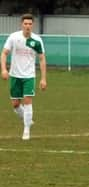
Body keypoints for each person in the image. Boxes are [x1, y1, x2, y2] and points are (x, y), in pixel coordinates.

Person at [1, 13, 47, 141]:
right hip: (15, 75)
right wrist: (4, 69)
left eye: (30, 24)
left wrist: (43, 79)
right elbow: (4, 53)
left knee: (27, 101)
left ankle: (26, 130)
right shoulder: (14, 37)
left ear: (33, 25)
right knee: (15, 104)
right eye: (25, 23)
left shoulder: (37, 40)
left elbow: (42, 59)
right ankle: (27, 120)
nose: (27, 26)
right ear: (21, 24)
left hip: (29, 76)